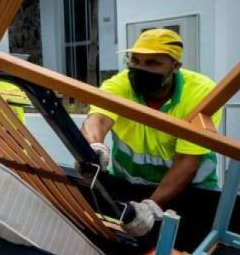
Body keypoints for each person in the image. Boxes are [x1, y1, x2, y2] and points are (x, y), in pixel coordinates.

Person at [81, 29, 220, 237]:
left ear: (175, 66)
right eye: (135, 60)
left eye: (153, 63)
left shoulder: (201, 93)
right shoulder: (120, 85)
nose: (140, 69)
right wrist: (93, 147)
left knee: (188, 252)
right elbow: (98, 119)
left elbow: (187, 162)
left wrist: (152, 206)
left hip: (190, 192)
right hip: (131, 187)